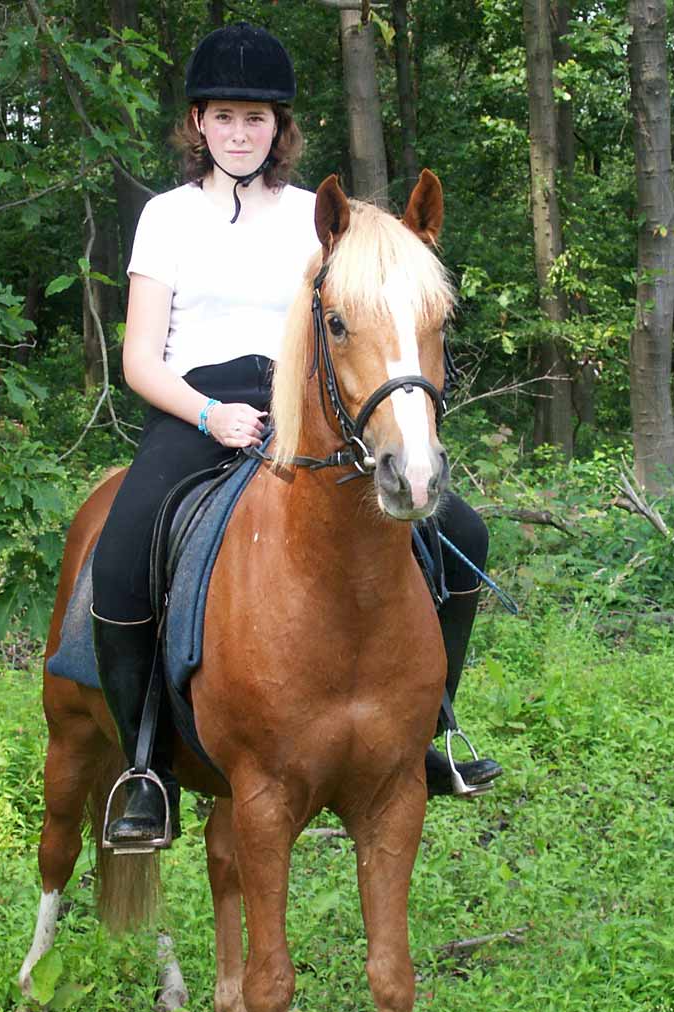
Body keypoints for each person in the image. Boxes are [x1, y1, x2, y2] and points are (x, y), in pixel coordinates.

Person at [90, 21, 501, 848]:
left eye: (257, 118)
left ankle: (428, 731)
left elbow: (368, 315)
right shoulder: (167, 218)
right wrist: (208, 414)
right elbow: (138, 358)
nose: (240, 133)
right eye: (225, 116)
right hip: (197, 408)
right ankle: (147, 768)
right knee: (123, 552)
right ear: (198, 122)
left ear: (280, 127)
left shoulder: (320, 218)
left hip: (305, 413)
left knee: (463, 533)